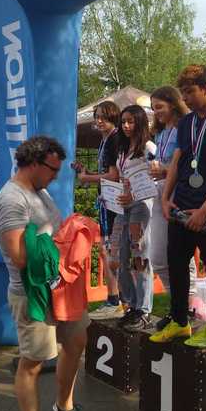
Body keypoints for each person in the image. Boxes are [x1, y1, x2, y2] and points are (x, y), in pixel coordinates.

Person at [0, 136, 94, 411]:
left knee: (77, 340)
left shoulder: (40, 191)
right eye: (52, 170)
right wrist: (59, 246)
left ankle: (64, 409)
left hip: (59, 289)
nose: (55, 177)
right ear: (34, 164)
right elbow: (20, 257)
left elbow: (52, 233)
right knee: (33, 362)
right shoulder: (12, 200)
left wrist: (71, 236)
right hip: (32, 294)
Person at [150, 64, 206, 348]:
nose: (185, 98)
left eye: (190, 92)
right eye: (183, 93)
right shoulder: (186, 122)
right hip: (181, 204)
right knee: (176, 262)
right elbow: (177, 161)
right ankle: (179, 322)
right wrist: (166, 198)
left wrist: (204, 211)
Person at [147, 86, 197, 331]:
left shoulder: (185, 129)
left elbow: (191, 165)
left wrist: (166, 171)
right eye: (153, 108)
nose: (156, 112)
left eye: (159, 107)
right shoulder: (160, 132)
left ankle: (187, 307)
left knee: (180, 253)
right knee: (158, 257)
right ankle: (178, 305)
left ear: (174, 104)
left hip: (179, 194)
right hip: (159, 193)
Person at [111, 105, 156, 332]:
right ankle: (130, 305)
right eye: (123, 122)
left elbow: (155, 180)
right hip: (122, 208)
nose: (126, 126)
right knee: (119, 257)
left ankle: (143, 310)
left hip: (141, 207)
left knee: (140, 257)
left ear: (140, 122)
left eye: (131, 121)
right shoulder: (122, 149)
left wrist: (134, 195)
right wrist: (109, 194)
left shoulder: (149, 147)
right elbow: (120, 178)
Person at [76, 101, 122, 320]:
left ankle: (116, 300)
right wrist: (88, 173)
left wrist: (88, 178)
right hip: (107, 201)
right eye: (97, 116)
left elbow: (114, 175)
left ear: (113, 118)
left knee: (109, 251)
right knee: (108, 250)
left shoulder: (114, 139)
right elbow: (107, 172)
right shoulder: (106, 139)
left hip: (114, 202)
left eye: (104, 116)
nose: (99, 120)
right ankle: (117, 299)